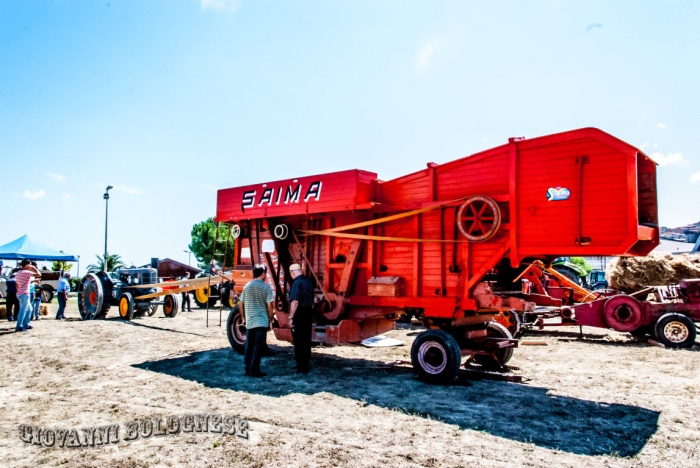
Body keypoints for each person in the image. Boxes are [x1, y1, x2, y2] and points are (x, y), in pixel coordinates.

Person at [239, 264, 274, 377]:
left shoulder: (247, 286)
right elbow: (269, 306)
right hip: (261, 321)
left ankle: (247, 367)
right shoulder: (266, 287)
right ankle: (255, 369)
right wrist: (270, 319)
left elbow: (240, 303)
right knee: (258, 347)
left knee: (249, 346)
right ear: (263, 273)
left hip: (250, 322)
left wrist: (243, 317)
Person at [288, 263, 315, 373]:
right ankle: (306, 363)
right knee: (306, 339)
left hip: (300, 314)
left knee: (299, 340)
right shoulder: (309, 282)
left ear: (293, 273)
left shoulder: (296, 283)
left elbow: (294, 302)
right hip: (308, 312)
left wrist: (290, 317)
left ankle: (301, 366)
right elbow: (313, 299)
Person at [14, 260, 41, 332]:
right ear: (26, 265)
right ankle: (18, 326)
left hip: (20, 293)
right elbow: (39, 274)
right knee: (23, 310)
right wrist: (34, 268)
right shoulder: (27, 272)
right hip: (25, 294)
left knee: (29, 309)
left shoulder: (18, 273)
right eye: (29, 265)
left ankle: (26, 324)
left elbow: (17, 284)